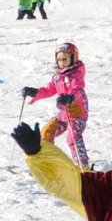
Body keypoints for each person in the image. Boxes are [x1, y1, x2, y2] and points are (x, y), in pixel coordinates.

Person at [23, 41, 91, 170]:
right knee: (46, 132)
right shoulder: (57, 77)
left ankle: (83, 166)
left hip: (76, 114)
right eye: (59, 59)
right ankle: (47, 162)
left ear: (73, 58)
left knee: (72, 138)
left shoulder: (76, 75)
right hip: (63, 114)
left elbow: (77, 88)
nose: (61, 62)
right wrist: (35, 92)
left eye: (64, 59)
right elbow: (49, 90)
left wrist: (70, 97)